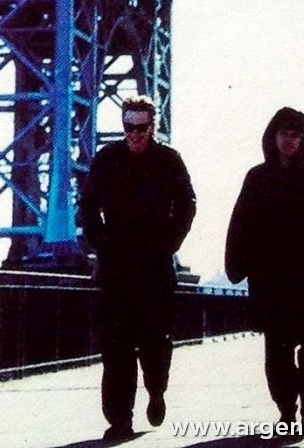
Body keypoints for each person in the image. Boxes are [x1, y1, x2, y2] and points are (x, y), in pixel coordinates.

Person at [79, 95, 196, 443]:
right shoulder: (106, 159)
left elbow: (187, 204)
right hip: (116, 268)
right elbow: (87, 207)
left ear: (152, 126)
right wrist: (101, 245)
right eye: (129, 127)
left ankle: (156, 390)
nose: (135, 134)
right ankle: (120, 419)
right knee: (116, 348)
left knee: (156, 343)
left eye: (141, 128)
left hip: (156, 267)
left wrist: (170, 243)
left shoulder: (169, 160)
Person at [225, 107, 304, 427]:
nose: (289, 141)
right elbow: (240, 224)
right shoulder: (257, 177)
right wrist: (238, 265)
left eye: (296, 135)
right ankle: (286, 408)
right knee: (277, 349)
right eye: (284, 134)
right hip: (271, 280)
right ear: (273, 136)